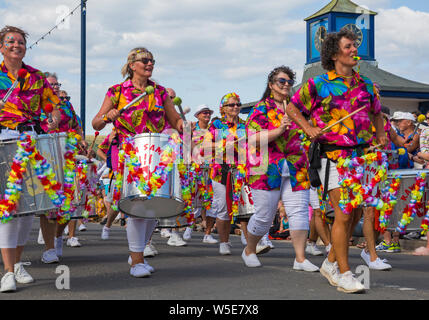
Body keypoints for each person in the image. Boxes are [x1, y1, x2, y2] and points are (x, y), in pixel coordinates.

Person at [286, 28, 388, 293]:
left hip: (363, 157)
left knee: (354, 213)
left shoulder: (368, 85)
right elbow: (292, 107)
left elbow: (377, 114)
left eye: (354, 46)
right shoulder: (317, 84)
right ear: (333, 54)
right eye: (348, 47)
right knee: (343, 213)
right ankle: (344, 273)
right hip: (333, 156)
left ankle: (331, 262)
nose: (354, 50)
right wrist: (308, 129)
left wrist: (381, 136)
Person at [92, 47, 184, 278]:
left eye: (152, 60)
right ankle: (137, 261)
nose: (150, 63)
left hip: (157, 153)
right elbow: (96, 124)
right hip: (131, 153)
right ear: (132, 65)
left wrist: (186, 127)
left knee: (154, 206)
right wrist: (107, 116)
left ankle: (137, 253)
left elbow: (175, 121)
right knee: (137, 205)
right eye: (145, 60)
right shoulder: (116, 91)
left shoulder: (160, 92)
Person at [0, 25, 60, 292]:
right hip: (3, 141)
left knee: (27, 208)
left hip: (31, 141)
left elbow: (52, 105)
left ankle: (18, 262)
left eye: (21, 41)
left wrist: (54, 116)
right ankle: (8, 271)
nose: (16, 45)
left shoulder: (35, 76)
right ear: (1, 46)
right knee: (9, 209)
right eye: (10, 41)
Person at [243, 66, 318, 272]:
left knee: (299, 212)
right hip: (267, 167)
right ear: (271, 85)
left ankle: (300, 258)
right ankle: (250, 249)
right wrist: (279, 130)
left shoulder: (297, 109)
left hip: (296, 166)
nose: (286, 85)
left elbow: (309, 128)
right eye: (281, 81)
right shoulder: (260, 109)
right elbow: (252, 139)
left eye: (289, 81)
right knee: (264, 216)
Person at [204, 92, 246, 255]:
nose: (236, 107)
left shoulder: (245, 125)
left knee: (244, 207)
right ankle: (224, 241)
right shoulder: (216, 125)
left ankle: (249, 239)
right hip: (220, 170)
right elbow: (206, 146)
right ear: (223, 108)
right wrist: (224, 143)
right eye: (232, 105)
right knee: (223, 208)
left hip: (242, 170)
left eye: (238, 104)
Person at [185, 104, 217, 243]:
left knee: (211, 203)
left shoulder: (213, 130)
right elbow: (185, 148)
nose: (207, 115)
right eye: (204, 113)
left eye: (209, 113)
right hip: (194, 169)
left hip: (211, 170)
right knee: (193, 202)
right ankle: (188, 228)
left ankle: (208, 234)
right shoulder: (191, 128)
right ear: (197, 115)